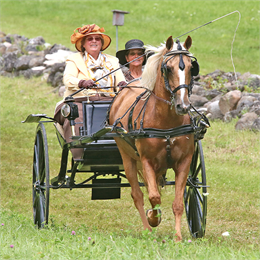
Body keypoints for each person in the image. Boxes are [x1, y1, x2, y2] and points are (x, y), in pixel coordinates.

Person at [54, 24, 127, 159]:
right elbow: (68, 79)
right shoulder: (74, 60)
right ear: (83, 44)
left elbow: (120, 81)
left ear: (101, 43)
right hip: (81, 101)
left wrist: (122, 84)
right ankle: (80, 154)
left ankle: (127, 151)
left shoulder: (112, 61)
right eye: (90, 39)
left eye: (97, 39)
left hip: (110, 101)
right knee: (77, 116)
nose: (94, 41)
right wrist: (82, 82)